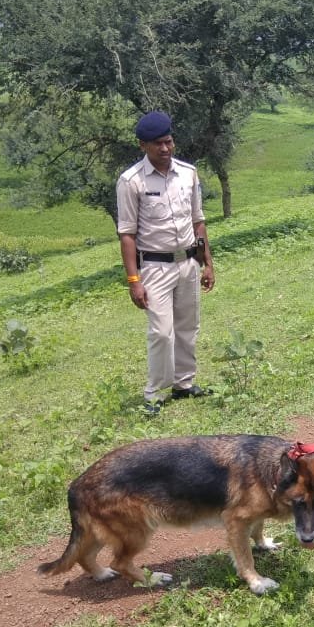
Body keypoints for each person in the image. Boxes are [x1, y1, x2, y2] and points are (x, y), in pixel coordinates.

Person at [116, 111, 216, 415]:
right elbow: (127, 235)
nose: (165, 148)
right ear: (143, 146)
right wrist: (134, 281)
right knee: (161, 332)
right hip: (155, 267)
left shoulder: (188, 173)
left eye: (169, 141)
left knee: (188, 326)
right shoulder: (131, 181)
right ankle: (155, 394)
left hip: (187, 263)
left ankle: (184, 383)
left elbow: (198, 221)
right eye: (157, 144)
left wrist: (207, 263)